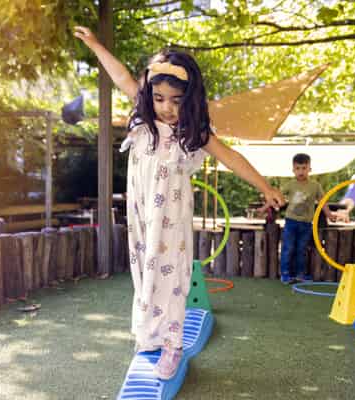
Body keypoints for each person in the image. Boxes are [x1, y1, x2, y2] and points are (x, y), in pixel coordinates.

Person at [74, 26, 285, 380]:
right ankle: (149, 336)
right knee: (145, 273)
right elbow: (120, 75)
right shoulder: (143, 119)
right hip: (142, 214)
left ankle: (172, 345)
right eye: (159, 98)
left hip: (171, 219)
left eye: (176, 100)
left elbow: (231, 157)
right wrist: (95, 45)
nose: (167, 107)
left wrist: (264, 186)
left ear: (190, 99)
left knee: (170, 275)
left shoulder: (193, 133)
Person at [280, 153, 335, 284]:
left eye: (304, 168)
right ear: (293, 170)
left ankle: (300, 274)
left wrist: (329, 215)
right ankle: (285, 274)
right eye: (298, 168)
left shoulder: (315, 185)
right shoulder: (290, 184)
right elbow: (276, 196)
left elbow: (322, 201)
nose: (301, 171)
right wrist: (264, 208)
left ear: (309, 169)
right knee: (288, 248)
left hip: (306, 223)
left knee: (302, 249)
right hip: (291, 222)